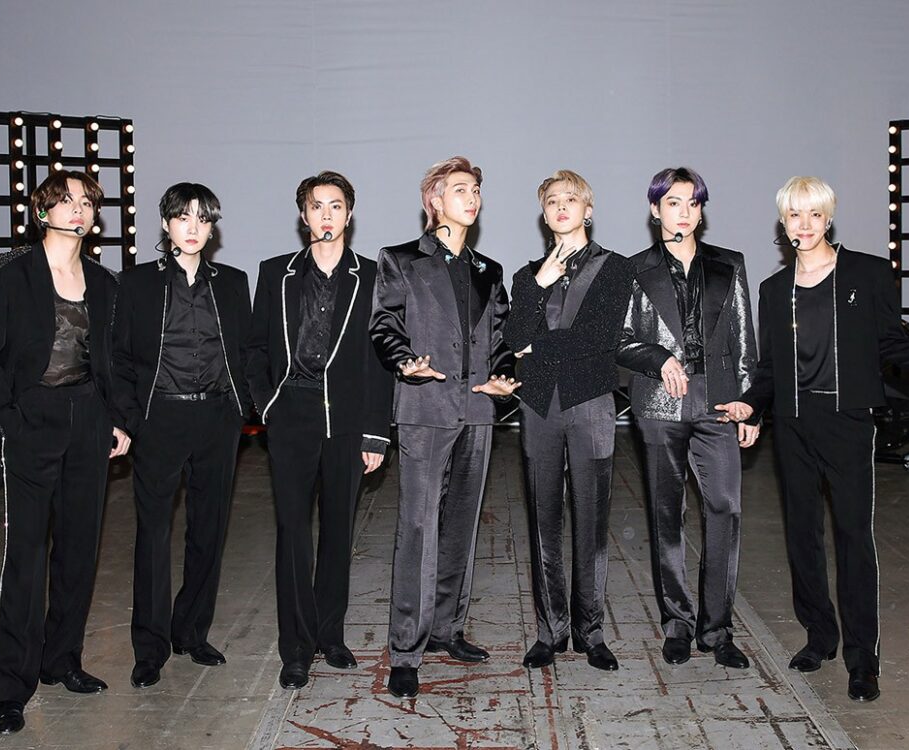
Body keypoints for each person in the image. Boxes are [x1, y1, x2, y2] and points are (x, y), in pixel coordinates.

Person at [736, 176, 909, 703]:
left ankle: (863, 660)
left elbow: (891, 341)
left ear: (828, 218)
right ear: (783, 222)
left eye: (813, 214)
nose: (804, 224)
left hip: (847, 421)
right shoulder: (773, 290)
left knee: (853, 537)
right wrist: (752, 404)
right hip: (794, 424)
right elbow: (770, 368)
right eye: (794, 215)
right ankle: (819, 637)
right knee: (802, 536)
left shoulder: (867, 273)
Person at [0, 171, 130, 735]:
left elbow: (112, 358)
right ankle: (12, 690)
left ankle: (62, 660)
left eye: (86, 202)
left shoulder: (105, 281)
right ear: (43, 210)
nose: (77, 209)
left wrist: (117, 419)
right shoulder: (7, 272)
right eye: (65, 200)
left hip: (88, 418)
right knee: (26, 558)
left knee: (79, 551)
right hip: (32, 419)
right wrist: (10, 422)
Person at [369, 156, 519, 698]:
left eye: (476, 190)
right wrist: (404, 360)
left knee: (461, 525)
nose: (472, 198)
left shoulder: (489, 270)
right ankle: (405, 649)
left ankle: (446, 629)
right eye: (460, 189)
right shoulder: (401, 260)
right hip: (425, 408)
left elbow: (500, 337)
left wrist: (504, 374)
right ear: (434, 200)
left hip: (477, 410)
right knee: (417, 527)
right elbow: (384, 323)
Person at [246, 171, 393, 690]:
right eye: (316, 206)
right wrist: (268, 406)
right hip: (291, 417)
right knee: (292, 534)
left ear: (349, 214)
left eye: (335, 205)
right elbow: (254, 348)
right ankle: (296, 649)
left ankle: (330, 635)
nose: (326, 214)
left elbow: (381, 359)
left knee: (337, 532)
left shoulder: (373, 276)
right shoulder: (275, 273)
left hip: (348, 421)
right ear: (303, 215)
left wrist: (376, 432)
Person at [112, 183, 254, 691]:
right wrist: (131, 420)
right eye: (183, 217)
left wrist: (242, 410)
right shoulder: (136, 284)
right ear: (166, 224)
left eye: (202, 218)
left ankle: (192, 632)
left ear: (212, 228)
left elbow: (248, 351)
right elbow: (119, 357)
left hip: (218, 418)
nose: (193, 228)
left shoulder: (233, 283)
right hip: (160, 419)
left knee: (208, 531)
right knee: (153, 535)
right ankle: (149, 649)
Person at [617, 167, 758, 671]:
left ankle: (716, 629)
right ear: (655, 210)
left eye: (693, 203)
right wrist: (658, 358)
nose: (684, 212)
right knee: (666, 514)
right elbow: (619, 339)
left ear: (701, 210)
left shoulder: (729, 264)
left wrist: (751, 404)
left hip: (719, 402)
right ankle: (677, 623)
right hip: (660, 403)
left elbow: (744, 339)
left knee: (725, 509)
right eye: (673, 203)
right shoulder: (633, 270)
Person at [503, 170, 633, 671]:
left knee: (592, 519)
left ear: (588, 210)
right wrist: (538, 288)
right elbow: (512, 338)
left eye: (571, 199)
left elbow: (599, 338)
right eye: (552, 201)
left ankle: (591, 632)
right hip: (538, 405)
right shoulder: (526, 276)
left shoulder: (615, 268)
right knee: (543, 519)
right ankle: (550, 631)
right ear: (544, 214)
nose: (561, 207)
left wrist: (536, 347)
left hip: (591, 402)